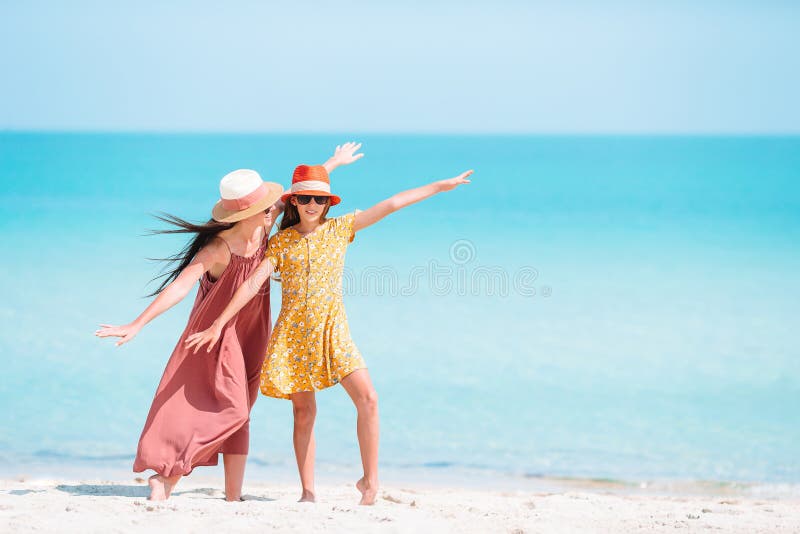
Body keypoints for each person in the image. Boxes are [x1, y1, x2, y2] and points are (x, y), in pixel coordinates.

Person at [185, 162, 473, 504]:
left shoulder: (341, 229)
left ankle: (370, 481)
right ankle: (308, 492)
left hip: (334, 332)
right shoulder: (279, 243)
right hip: (295, 337)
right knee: (304, 413)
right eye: (305, 198)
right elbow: (250, 284)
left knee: (368, 399)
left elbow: (393, 203)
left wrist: (440, 185)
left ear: (328, 204)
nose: (312, 205)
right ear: (293, 202)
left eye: (319, 200)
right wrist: (219, 324)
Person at [95, 143, 364, 501]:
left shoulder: (266, 224)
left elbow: (303, 194)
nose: (275, 208)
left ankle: (233, 497)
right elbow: (179, 287)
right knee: (232, 408)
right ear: (247, 211)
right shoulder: (218, 248)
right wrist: (138, 323)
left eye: (272, 205)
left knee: (244, 407)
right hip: (215, 333)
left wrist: (333, 163)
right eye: (267, 206)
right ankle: (167, 478)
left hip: (252, 330)